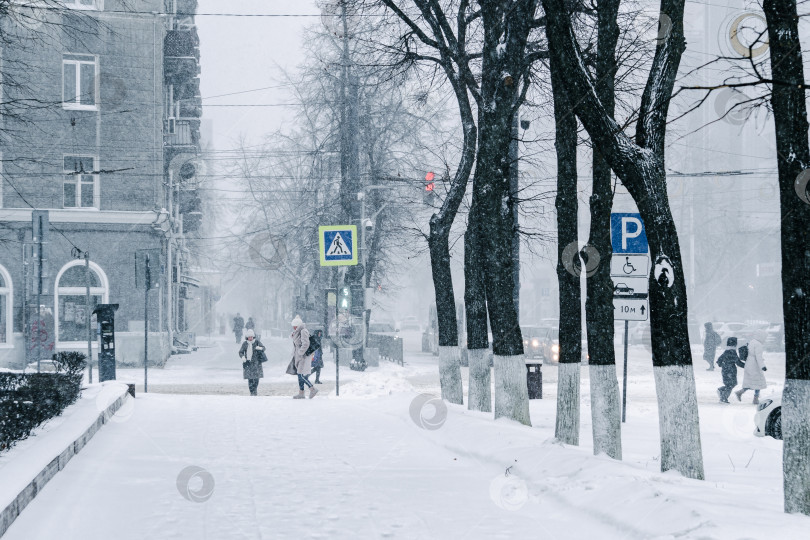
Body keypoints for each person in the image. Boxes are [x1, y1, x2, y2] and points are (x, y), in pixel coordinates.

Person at [291, 315, 317, 399]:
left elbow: (306, 343)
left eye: (295, 326)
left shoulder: (303, 331)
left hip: (303, 356)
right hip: (299, 356)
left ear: (298, 326)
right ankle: (301, 393)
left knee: (301, 375)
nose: (294, 328)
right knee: (300, 375)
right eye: (293, 326)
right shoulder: (298, 332)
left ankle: (312, 389)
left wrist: (300, 352)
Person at [736, 338, 767, 404]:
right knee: (757, 382)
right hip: (755, 365)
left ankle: (741, 392)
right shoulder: (758, 344)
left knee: (751, 382)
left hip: (749, 363)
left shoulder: (751, 342)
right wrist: (762, 366)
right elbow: (758, 357)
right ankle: (755, 399)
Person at [239, 329, 266, 396]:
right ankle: (252, 392)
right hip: (248, 364)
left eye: (251, 336)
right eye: (249, 337)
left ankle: (255, 391)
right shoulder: (245, 344)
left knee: (256, 379)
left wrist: (259, 348)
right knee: (250, 379)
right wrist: (243, 357)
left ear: (253, 336)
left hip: (257, 364)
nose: (250, 338)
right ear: (247, 337)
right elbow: (240, 352)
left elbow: (263, 348)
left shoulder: (257, 342)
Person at [716, 337, 743, 403]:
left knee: (730, 384)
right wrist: (746, 366)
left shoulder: (726, 351)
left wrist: (723, 365)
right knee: (731, 384)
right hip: (730, 371)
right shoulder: (732, 352)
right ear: (734, 344)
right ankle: (723, 398)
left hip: (726, 370)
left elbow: (719, 361)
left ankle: (722, 391)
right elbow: (738, 362)